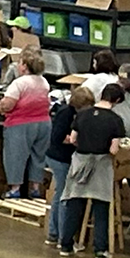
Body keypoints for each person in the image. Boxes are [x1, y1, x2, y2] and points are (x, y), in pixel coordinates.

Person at [58, 79, 125, 258]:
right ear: (117, 100)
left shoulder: (82, 115)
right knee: (100, 206)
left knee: (74, 203)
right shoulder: (116, 120)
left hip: (80, 162)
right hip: (101, 164)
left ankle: (66, 245)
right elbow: (114, 149)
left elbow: (73, 139)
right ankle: (100, 250)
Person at [0, 49, 53, 200]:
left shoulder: (19, 83)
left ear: (24, 66)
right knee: (38, 157)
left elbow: (8, 105)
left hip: (21, 124)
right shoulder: (44, 82)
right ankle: (35, 188)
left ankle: (15, 189)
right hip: (43, 123)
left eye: (19, 62)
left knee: (16, 156)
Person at [45, 83, 85, 242]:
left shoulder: (76, 114)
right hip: (58, 157)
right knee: (63, 195)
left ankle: (54, 232)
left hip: (64, 157)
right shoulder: (66, 114)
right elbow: (57, 137)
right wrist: (75, 141)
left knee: (60, 193)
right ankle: (62, 235)